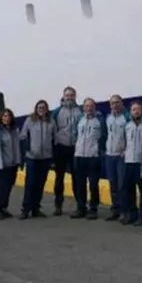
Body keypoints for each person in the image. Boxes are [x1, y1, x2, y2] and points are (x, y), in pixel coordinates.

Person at [19, 100, 56, 219]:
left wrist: (53, 157)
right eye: (39, 108)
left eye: (43, 108)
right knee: (30, 184)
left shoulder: (51, 121)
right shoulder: (30, 120)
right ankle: (25, 209)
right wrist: (27, 150)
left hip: (46, 157)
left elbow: (54, 138)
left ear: (46, 109)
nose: (41, 110)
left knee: (40, 184)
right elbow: (23, 136)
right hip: (32, 157)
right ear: (36, 109)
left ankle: (35, 208)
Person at [71, 97, 107, 219]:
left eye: (91, 106)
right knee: (80, 184)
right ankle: (81, 208)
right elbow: (75, 135)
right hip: (79, 156)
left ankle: (93, 209)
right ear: (83, 108)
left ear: (94, 107)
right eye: (86, 106)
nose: (89, 108)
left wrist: (100, 151)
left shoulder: (100, 120)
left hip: (93, 156)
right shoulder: (79, 119)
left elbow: (104, 136)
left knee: (93, 184)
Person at [0, 107, 22, 219]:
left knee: (9, 187)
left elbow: (18, 146)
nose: (7, 118)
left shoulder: (14, 131)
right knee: (3, 187)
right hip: (2, 165)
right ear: (1, 118)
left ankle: (3, 208)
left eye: (9, 116)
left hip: (13, 164)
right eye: (5, 116)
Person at [120, 100, 142, 225]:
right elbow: (125, 142)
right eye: (133, 109)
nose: (136, 111)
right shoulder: (127, 126)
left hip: (141, 163)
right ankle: (132, 215)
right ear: (130, 112)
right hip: (129, 162)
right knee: (128, 190)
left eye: (138, 109)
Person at [52, 86, 79, 216]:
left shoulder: (80, 111)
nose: (69, 97)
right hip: (61, 147)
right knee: (59, 178)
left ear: (75, 96)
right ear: (64, 96)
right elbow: (52, 131)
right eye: (67, 95)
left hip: (75, 148)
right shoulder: (57, 112)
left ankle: (80, 205)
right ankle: (58, 205)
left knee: (76, 178)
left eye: (71, 95)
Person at [103, 95, 128, 221]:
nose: (115, 105)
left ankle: (124, 211)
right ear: (110, 105)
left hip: (121, 156)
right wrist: (104, 150)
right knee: (112, 183)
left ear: (122, 103)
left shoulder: (127, 118)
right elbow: (104, 134)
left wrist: (127, 150)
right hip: (109, 155)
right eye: (113, 103)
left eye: (117, 102)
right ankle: (115, 210)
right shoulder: (108, 118)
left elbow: (130, 136)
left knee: (122, 184)